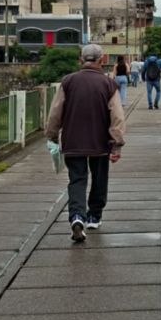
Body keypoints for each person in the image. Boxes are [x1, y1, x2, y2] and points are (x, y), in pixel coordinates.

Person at [45, 44, 126, 243]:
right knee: (99, 178)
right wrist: (116, 144)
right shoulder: (108, 84)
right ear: (102, 60)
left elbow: (56, 112)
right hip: (100, 142)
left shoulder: (68, 81)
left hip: (73, 141)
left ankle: (76, 216)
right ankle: (94, 216)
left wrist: (52, 135)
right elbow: (117, 116)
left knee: (77, 180)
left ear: (81, 60)